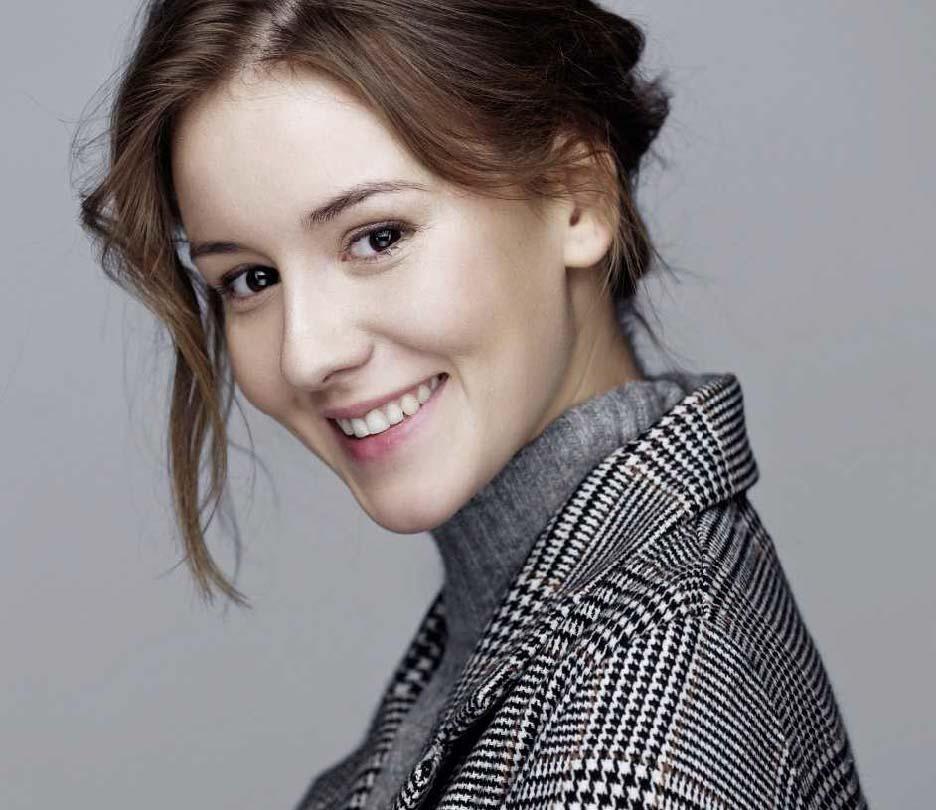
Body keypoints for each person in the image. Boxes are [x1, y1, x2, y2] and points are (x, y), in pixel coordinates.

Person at [74, 1, 867, 807]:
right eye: (251, 279)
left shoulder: (636, 730)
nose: (305, 353)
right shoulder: (551, 625)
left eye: (378, 237)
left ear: (578, 196)